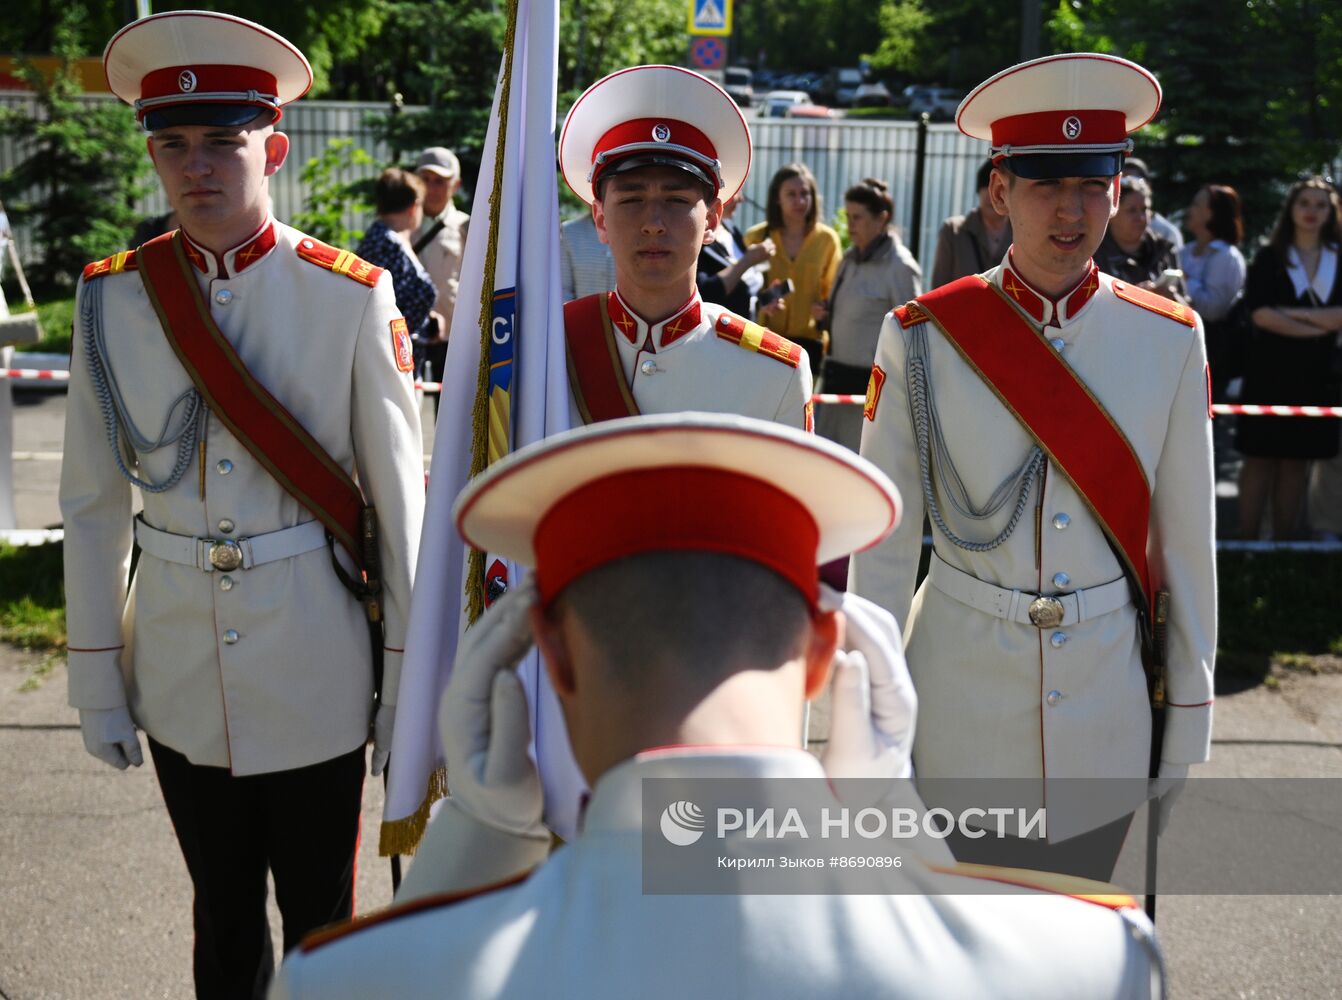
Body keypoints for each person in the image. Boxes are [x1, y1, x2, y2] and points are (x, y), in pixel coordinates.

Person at [270, 412, 1164, 1000]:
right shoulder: (1086, 961)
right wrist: (886, 820)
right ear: (825, 657)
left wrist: (481, 827)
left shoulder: (350, 981)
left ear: (548, 656)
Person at [62, 12, 426, 997]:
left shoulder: (349, 296)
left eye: (223, 141)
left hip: (315, 664)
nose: (198, 167)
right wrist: (96, 677)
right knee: (221, 923)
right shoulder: (116, 300)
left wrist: (405, 689)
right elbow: (93, 505)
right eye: (173, 144)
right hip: (177, 661)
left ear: (271, 147)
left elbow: (400, 508)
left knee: (322, 921)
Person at [852, 53, 1216, 879]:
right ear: (999, 192)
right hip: (958, 705)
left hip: (1104, 714)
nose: (1071, 209)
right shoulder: (922, 337)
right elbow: (880, 549)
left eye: (1093, 184)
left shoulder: (1170, 338)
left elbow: (1187, 547)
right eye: (1046, 184)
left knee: (1074, 948)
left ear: (1117, 192)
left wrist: (1185, 720)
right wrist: (864, 722)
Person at [557, 64, 811, 429]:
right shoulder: (547, 352)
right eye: (631, 200)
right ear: (600, 219)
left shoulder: (776, 374)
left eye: (676, 200)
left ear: (711, 220)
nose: (653, 224)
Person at [1235, 176, 1342, 538]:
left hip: (1317, 377)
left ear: (1331, 212)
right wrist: (1320, 325)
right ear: (1291, 209)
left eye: (1320, 205)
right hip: (1269, 373)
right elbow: (1262, 315)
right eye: (1304, 203)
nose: (1312, 212)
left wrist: (1293, 314)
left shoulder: (1338, 258)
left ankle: (1282, 545)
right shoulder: (1270, 256)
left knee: (1297, 462)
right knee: (1260, 459)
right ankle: (1246, 543)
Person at [815, 177, 922, 452]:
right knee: (825, 460)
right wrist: (824, 315)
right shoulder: (849, 259)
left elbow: (914, 334)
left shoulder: (900, 266)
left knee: (857, 465)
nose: (850, 225)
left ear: (881, 219)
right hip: (835, 377)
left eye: (858, 217)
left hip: (870, 388)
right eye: (848, 216)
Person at [744, 162, 843, 377]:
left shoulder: (827, 240)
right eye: (791, 194)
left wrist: (823, 313)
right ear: (777, 198)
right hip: (764, 338)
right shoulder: (756, 237)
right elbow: (743, 291)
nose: (799, 201)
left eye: (804, 193)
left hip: (809, 342)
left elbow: (834, 292)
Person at [356, 167, 441, 377]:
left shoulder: (386, 240)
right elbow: (384, 308)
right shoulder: (387, 245)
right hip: (389, 366)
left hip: (400, 361)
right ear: (414, 207)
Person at [1179, 184, 1247, 402]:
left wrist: (1184, 282)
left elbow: (1214, 309)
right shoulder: (1185, 251)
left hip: (1213, 353)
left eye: (1197, 205)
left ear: (1213, 213)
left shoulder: (1226, 257)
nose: (1190, 210)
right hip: (1181, 347)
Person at [413, 146, 469, 387]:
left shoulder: (466, 226)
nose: (431, 188)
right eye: (425, 180)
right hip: (409, 330)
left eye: (439, 181)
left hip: (452, 336)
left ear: (455, 185)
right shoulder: (402, 222)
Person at [1093, 175, 1188, 304]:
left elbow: (1187, 307)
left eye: (1145, 209)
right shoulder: (1094, 253)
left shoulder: (1164, 249)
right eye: (1131, 211)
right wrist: (1134, 298)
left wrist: (1172, 298)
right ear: (1112, 213)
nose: (1141, 218)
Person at [930, 159, 1012, 288]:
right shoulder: (953, 231)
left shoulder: (1023, 233)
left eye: (1000, 188)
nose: (992, 196)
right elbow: (939, 287)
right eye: (986, 186)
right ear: (978, 191)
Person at [696, 187, 773, 317]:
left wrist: (763, 303)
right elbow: (705, 293)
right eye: (736, 191)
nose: (741, 199)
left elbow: (743, 292)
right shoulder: (699, 239)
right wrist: (747, 260)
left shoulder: (731, 229)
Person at [1122, 156, 1183, 250]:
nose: (1126, 189)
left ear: (1148, 187)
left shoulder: (1167, 234)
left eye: (1134, 182)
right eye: (1122, 183)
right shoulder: (1100, 231)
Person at [559, 214, 617, 302]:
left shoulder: (633, 229)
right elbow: (563, 289)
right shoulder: (569, 230)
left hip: (626, 315)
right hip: (581, 313)